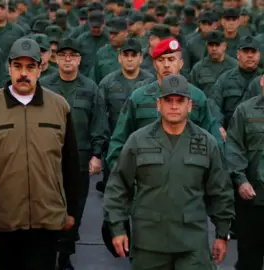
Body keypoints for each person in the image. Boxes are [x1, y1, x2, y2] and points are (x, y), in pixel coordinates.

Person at [0, 37, 80, 270]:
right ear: (9, 67)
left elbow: (71, 163)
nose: (24, 73)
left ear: (40, 69)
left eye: (30, 66)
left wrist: (71, 210)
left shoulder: (59, 107)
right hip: (4, 214)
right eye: (18, 66)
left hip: (48, 214)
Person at [104, 74, 234, 270]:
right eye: (168, 100)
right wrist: (117, 227)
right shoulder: (138, 141)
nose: (174, 106)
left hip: (192, 244)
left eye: (180, 100)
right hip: (149, 244)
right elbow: (118, 186)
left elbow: (220, 191)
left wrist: (222, 234)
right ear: (158, 104)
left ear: (189, 105)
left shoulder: (206, 143)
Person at [39, 37, 108, 270]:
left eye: (72, 56)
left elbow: (98, 123)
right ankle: (50, 251)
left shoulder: (91, 88)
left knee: (74, 209)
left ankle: (65, 254)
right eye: (63, 55)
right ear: (56, 59)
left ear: (79, 60)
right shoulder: (45, 86)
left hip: (79, 160)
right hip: (47, 159)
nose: (67, 59)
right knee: (47, 206)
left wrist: (97, 154)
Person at [106, 38, 223, 170]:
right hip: (146, 174)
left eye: (171, 59)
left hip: (189, 173)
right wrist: (122, 176)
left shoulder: (196, 97)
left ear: (181, 63)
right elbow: (119, 141)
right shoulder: (139, 97)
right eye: (161, 60)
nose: (166, 65)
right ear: (155, 64)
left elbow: (214, 141)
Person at [95, 38, 153, 193]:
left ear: (140, 58)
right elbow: (100, 119)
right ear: (119, 57)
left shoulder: (151, 83)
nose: (129, 59)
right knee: (114, 195)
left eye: (133, 55)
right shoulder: (107, 83)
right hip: (116, 147)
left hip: (146, 147)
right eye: (126, 55)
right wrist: (102, 149)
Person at [225, 75, 264, 270]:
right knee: (250, 260)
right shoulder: (245, 111)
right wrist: (240, 180)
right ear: (262, 82)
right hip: (253, 200)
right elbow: (234, 148)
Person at [209, 35, 261, 130]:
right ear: (238, 54)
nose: (249, 55)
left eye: (253, 52)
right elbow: (214, 104)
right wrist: (219, 126)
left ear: (259, 55)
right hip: (230, 132)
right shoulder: (225, 78)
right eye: (245, 51)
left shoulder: (262, 79)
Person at [189, 30, 238, 96]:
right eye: (211, 45)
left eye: (217, 45)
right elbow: (193, 94)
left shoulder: (235, 66)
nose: (214, 48)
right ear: (207, 46)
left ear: (224, 46)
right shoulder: (198, 68)